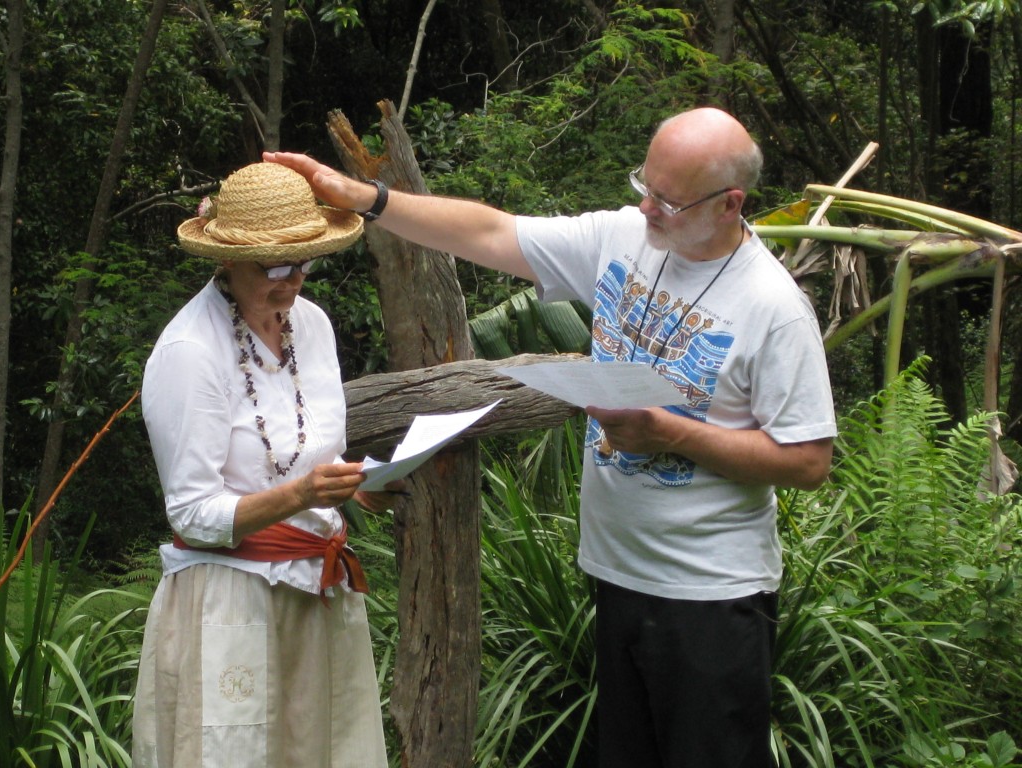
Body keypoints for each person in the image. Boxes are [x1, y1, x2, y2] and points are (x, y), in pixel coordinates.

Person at [267, 105, 837, 768]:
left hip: (712, 597)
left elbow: (808, 460)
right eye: (642, 187)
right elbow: (489, 232)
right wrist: (369, 199)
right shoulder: (624, 237)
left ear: (729, 203)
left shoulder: (772, 306)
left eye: (667, 200)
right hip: (617, 576)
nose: (647, 209)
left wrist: (670, 435)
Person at [132, 161, 394, 767]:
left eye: (303, 261)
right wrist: (303, 495)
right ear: (227, 261)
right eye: (273, 266)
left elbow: (307, 455)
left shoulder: (313, 325)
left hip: (317, 594)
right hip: (231, 598)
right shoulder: (190, 351)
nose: (292, 280)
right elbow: (193, 513)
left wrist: (356, 486)